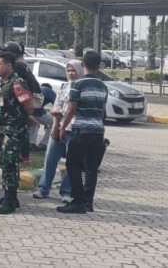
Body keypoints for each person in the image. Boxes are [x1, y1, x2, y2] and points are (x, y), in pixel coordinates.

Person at [55, 52, 109, 214]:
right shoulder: (103, 86)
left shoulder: (77, 84)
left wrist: (62, 127)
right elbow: (102, 110)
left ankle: (78, 201)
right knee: (91, 168)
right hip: (97, 131)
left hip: (80, 130)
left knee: (73, 165)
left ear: (83, 65)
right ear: (98, 66)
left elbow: (71, 108)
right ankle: (88, 202)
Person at [0, 52, 35, 214]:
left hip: (14, 129)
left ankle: (10, 200)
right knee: (6, 162)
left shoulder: (17, 82)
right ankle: (10, 196)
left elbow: (28, 105)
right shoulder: (1, 83)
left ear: (9, 65)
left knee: (10, 162)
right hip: (3, 128)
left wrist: (20, 119)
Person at [34, 60, 81, 201]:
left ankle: (66, 192)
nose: (71, 73)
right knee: (50, 158)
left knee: (71, 162)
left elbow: (73, 109)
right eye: (68, 70)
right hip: (59, 126)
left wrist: (61, 115)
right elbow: (57, 106)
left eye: (73, 70)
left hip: (73, 128)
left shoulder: (81, 87)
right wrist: (55, 125)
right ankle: (43, 189)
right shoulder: (64, 86)